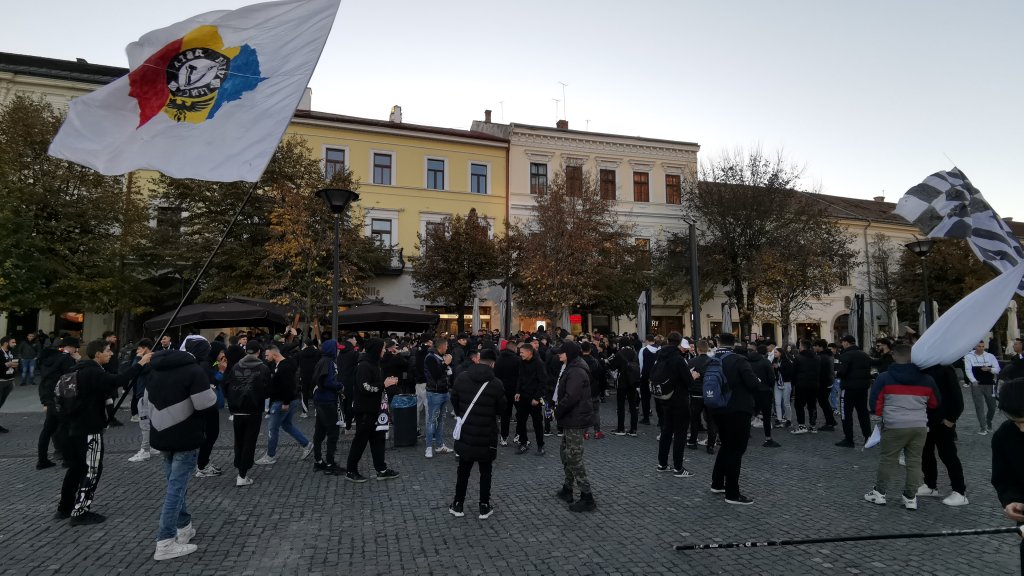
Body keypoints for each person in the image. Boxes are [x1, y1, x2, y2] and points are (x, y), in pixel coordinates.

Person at [56, 339, 149, 525]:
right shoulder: (93, 371)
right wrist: (140, 363)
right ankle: (80, 512)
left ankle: (64, 508)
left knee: (77, 468)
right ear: (97, 353)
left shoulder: (76, 369)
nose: (111, 353)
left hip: (73, 427)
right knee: (92, 469)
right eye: (107, 350)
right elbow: (119, 380)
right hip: (89, 428)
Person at [145, 335, 217, 561]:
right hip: (185, 436)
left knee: (174, 485)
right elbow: (205, 403)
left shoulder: (155, 368)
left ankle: (184, 527)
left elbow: (146, 401)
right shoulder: (194, 372)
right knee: (175, 488)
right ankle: (165, 541)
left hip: (161, 434)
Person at [864, 344, 939, 510]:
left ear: (894, 356)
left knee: (888, 459)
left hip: (894, 424)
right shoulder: (927, 379)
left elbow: (874, 401)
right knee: (914, 462)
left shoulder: (884, 377)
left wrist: (878, 418)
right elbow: (934, 403)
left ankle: (880, 493)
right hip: (919, 426)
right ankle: (910, 497)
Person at [702, 333, 759, 505]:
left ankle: (717, 483)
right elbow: (753, 384)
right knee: (736, 450)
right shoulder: (739, 360)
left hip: (717, 408)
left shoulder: (710, 360)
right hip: (738, 409)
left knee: (726, 446)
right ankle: (732, 493)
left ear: (717, 343)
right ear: (734, 344)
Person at [448, 348, 506, 518]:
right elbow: (502, 408)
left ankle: (458, 504)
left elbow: (455, 399)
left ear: (478, 360)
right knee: (485, 470)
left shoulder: (462, 377)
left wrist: (462, 414)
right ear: (493, 364)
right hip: (486, 432)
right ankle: (484, 505)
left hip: (466, 431)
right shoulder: (496, 384)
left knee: (463, 470)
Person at [345, 338, 400, 482]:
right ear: (376, 350)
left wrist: (386, 383)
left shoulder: (375, 364)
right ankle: (350, 470)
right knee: (360, 441)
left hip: (376, 409)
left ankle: (381, 469)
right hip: (365, 411)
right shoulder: (364, 365)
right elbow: (365, 387)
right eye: (382, 348)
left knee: (378, 440)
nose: (384, 350)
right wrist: (384, 384)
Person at [552, 340, 596, 512]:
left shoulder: (576, 370)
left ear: (568, 353)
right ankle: (567, 488)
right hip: (572, 418)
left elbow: (571, 397)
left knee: (573, 456)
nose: (558, 355)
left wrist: (558, 411)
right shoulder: (572, 366)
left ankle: (587, 496)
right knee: (566, 453)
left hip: (575, 418)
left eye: (561, 352)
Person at [917, 364, 967, 506]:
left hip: (943, 421)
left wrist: (951, 419)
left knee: (948, 455)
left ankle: (960, 491)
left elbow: (957, 397)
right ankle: (930, 485)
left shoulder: (946, 369)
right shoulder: (921, 368)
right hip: (926, 419)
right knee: (926, 453)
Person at [256, 345, 313, 465]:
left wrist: (286, 402)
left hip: (282, 402)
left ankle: (270, 456)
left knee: (273, 429)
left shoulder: (284, 367)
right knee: (287, 425)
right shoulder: (280, 365)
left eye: (267, 355)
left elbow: (288, 386)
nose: (265, 357)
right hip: (284, 401)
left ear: (274, 354)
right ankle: (307, 444)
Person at [990, 379, 1024, 575]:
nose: (1021, 429)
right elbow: (1003, 478)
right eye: (1016, 422)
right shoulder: (1004, 436)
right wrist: (1012, 500)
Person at [226, 340, 270, 486]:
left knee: (239, 441)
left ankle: (240, 468)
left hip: (237, 409)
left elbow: (228, 385)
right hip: (253, 409)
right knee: (249, 442)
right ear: (259, 351)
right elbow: (267, 389)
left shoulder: (236, 366)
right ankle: (242, 474)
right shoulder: (263, 368)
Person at [655, 333, 696, 475]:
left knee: (666, 431)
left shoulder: (660, 356)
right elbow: (688, 382)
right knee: (680, 434)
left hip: (665, 398)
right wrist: (693, 376)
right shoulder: (678, 359)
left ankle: (662, 464)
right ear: (679, 343)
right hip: (680, 400)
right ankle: (678, 467)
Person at [37, 337, 80, 468]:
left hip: (49, 397)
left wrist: (44, 400)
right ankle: (68, 459)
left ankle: (42, 460)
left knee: (47, 430)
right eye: (76, 347)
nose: (76, 350)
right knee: (65, 428)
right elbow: (69, 379)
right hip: (61, 398)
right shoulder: (66, 359)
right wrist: (76, 361)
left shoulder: (48, 358)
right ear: (71, 347)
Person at [310, 339, 343, 475]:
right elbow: (328, 381)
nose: (339, 350)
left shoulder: (323, 361)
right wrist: (340, 386)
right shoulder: (328, 362)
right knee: (332, 432)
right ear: (332, 350)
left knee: (320, 431)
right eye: (337, 348)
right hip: (327, 401)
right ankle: (330, 463)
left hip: (321, 400)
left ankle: (318, 460)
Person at [835, 335, 874, 448]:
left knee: (846, 414)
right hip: (862, 388)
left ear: (846, 343)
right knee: (863, 413)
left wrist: (837, 373)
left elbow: (842, 372)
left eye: (843, 342)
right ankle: (868, 437)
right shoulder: (864, 354)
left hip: (848, 388)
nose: (842, 344)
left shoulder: (846, 355)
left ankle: (849, 439)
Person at [127, 338, 160, 463]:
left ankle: (145, 450)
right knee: (148, 423)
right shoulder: (154, 358)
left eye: (139, 349)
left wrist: (138, 358)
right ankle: (150, 447)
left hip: (144, 394)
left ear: (145, 348)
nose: (137, 352)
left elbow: (135, 370)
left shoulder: (148, 360)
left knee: (145, 424)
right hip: (146, 393)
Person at [514, 342, 547, 455]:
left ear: (529, 352)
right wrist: (517, 391)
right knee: (521, 421)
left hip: (534, 398)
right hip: (523, 397)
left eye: (522, 353)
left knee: (537, 423)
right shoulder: (521, 362)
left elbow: (542, 382)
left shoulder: (539, 363)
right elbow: (519, 377)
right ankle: (523, 443)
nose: (520, 354)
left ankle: (540, 445)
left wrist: (537, 398)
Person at [423, 338, 454, 458]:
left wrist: (446, 365)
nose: (447, 348)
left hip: (444, 392)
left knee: (441, 420)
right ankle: (429, 447)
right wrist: (445, 363)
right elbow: (435, 375)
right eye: (446, 345)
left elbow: (445, 373)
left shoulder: (441, 357)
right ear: (441, 346)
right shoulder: (430, 357)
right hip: (434, 393)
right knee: (432, 420)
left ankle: (440, 445)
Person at [687, 340, 718, 454]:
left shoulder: (692, 361)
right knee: (711, 421)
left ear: (697, 349)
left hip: (696, 393)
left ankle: (693, 441)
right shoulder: (713, 362)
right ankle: (710, 445)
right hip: (710, 394)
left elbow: (688, 377)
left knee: (694, 419)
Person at [964, 340, 1000, 435]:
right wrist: (973, 381)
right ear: (975, 347)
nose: (981, 348)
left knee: (992, 407)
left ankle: (989, 422)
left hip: (990, 384)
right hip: (977, 385)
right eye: (979, 346)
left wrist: (989, 369)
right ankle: (983, 427)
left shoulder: (990, 356)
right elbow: (968, 370)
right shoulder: (968, 357)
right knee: (979, 407)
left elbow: (997, 369)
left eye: (983, 346)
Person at [747, 344, 779, 448]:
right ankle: (768, 438)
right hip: (764, 391)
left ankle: (745, 434)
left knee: (748, 414)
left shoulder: (747, 362)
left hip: (751, 391)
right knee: (766, 416)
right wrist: (769, 386)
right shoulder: (766, 362)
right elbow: (771, 378)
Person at [608, 336, 640, 436]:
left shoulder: (619, 353)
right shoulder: (634, 353)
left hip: (622, 381)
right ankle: (633, 429)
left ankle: (621, 428)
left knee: (621, 405)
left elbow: (612, 366)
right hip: (632, 381)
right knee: (633, 406)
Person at [493, 340, 520, 446]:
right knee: (520, 414)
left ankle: (503, 437)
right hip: (515, 391)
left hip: (503, 391)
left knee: (505, 415)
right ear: (514, 348)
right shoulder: (518, 360)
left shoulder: (498, 360)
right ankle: (518, 435)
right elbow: (520, 377)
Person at [791, 339, 819, 434]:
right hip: (814, 385)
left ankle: (801, 425)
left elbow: (793, 373)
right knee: (812, 406)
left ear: (802, 346)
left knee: (799, 405)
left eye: (799, 345)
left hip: (801, 385)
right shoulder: (816, 357)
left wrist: (794, 383)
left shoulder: (798, 357)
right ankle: (812, 426)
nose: (799, 347)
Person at [580, 341, 605, 440]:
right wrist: (602, 390)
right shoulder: (596, 361)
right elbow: (602, 377)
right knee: (596, 411)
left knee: (584, 412)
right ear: (590, 350)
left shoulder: (579, 361)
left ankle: (585, 433)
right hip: (594, 389)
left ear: (581, 350)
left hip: (583, 390)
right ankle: (597, 431)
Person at [814, 339, 838, 431]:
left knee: (823, 402)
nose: (814, 347)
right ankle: (831, 421)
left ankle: (829, 423)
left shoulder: (822, 357)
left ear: (820, 347)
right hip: (828, 382)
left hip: (824, 383)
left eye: (816, 346)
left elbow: (820, 372)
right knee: (824, 402)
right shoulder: (827, 355)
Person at [638, 334, 658, 426]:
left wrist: (640, 375)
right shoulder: (659, 349)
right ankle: (661, 419)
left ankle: (646, 418)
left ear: (646, 340)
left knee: (645, 398)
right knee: (658, 398)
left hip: (645, 376)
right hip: (656, 377)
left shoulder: (643, 350)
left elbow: (641, 364)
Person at [0, 336, 17, 432]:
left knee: (1, 403)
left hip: (9, 381)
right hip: (1, 382)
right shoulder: (0, 353)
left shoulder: (11, 353)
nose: (15, 344)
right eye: (13, 342)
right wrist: (8, 364)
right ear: (6, 343)